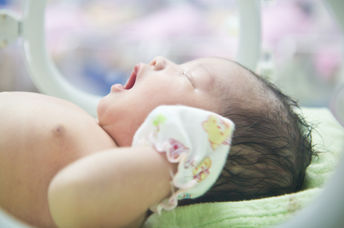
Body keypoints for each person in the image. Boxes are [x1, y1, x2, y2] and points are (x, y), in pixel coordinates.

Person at [0, 56, 314, 228]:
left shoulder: (126, 202)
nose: (162, 60)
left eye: (189, 78)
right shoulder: (99, 135)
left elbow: (69, 197)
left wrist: (168, 161)